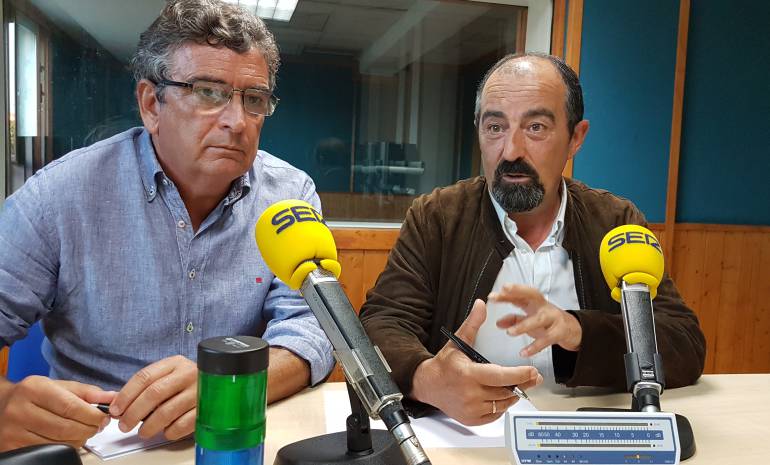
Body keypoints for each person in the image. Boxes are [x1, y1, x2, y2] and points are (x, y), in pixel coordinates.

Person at [0, 0, 334, 452]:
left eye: (253, 100)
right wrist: (5, 405)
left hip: (232, 441)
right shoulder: (58, 197)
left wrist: (228, 382)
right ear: (151, 104)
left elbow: (311, 332)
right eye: (208, 92)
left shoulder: (290, 196)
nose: (236, 121)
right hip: (94, 446)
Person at [359, 53, 706, 426]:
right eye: (495, 127)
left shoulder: (615, 222)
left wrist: (578, 331)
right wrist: (429, 380)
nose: (511, 151)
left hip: (586, 436)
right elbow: (381, 325)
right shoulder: (437, 218)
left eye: (536, 127)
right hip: (470, 441)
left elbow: (682, 342)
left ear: (576, 137)